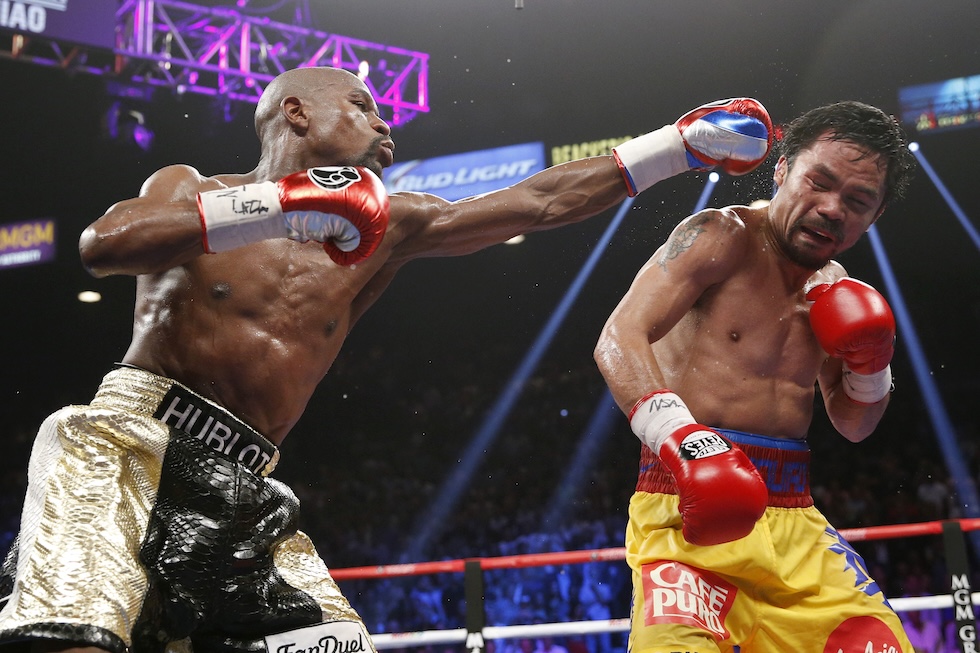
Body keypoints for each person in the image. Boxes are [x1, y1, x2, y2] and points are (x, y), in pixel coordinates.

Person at [0, 66, 774, 653]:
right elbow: (105, 244)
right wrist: (279, 205)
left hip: (245, 481)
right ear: (296, 112)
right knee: (75, 633)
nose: (385, 125)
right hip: (129, 443)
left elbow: (535, 202)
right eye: (363, 107)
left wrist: (672, 148)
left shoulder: (389, 228)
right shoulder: (193, 186)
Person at [593, 101, 917, 652]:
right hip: (686, 514)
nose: (832, 209)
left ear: (875, 215)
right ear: (783, 168)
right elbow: (620, 337)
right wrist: (684, 442)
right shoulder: (720, 235)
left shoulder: (835, 287)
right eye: (819, 182)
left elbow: (855, 425)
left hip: (794, 521)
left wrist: (873, 362)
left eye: (857, 201)